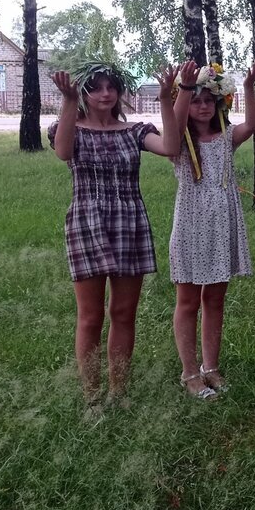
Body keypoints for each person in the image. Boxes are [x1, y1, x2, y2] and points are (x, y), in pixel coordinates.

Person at [49, 59, 182, 407]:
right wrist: (68, 101)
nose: (105, 94)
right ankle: (92, 396)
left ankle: (118, 390)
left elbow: (171, 148)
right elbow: (63, 152)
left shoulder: (134, 131)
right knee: (90, 316)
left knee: (123, 313)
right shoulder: (70, 127)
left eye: (111, 87)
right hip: (85, 222)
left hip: (129, 221)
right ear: (84, 93)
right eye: (95, 88)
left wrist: (166, 99)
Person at [167, 60, 255, 399]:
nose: (203, 106)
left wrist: (248, 85)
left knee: (216, 297)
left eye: (209, 100)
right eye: (195, 101)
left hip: (222, 224)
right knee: (188, 300)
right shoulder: (177, 140)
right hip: (192, 224)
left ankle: (211, 367)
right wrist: (184, 89)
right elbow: (174, 125)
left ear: (220, 102)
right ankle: (189, 372)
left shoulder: (226, 137)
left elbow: (252, 124)